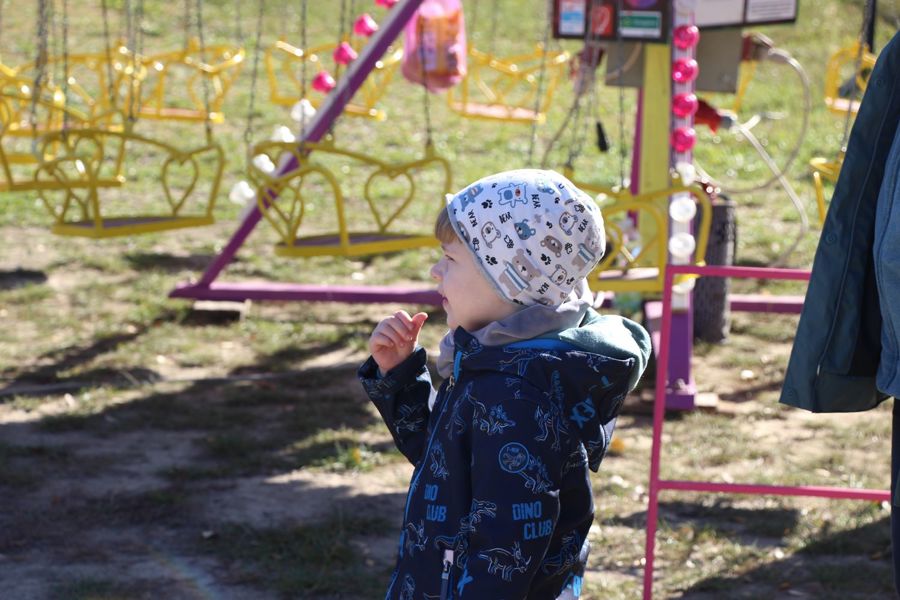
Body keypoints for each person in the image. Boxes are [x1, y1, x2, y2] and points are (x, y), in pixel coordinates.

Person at [359, 169, 650, 599]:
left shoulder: (517, 394)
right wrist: (400, 376)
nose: (435, 271)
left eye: (451, 259)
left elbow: (507, 549)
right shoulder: (495, 360)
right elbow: (442, 462)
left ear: (511, 282)